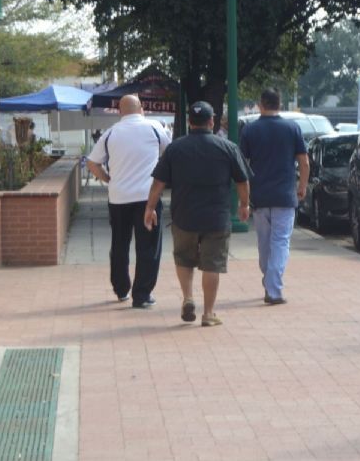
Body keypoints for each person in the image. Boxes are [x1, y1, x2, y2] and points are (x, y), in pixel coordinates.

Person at [144, 101, 251, 326]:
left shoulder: (176, 148)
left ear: (189, 122)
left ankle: (188, 297)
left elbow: (158, 183)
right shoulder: (228, 147)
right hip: (217, 217)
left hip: (184, 216)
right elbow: (242, 180)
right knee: (212, 264)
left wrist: (150, 208)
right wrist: (244, 205)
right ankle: (208, 313)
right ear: (212, 121)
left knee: (184, 258)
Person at [86, 95, 171, 308]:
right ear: (141, 109)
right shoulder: (154, 128)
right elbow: (169, 154)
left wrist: (107, 178)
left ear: (119, 111)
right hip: (147, 198)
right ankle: (141, 294)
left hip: (118, 198)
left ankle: (121, 288)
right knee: (148, 246)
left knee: (119, 244)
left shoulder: (111, 133)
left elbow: (92, 163)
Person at [239, 89, 309, 305]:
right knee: (280, 243)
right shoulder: (292, 128)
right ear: (280, 104)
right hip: (285, 195)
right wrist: (302, 186)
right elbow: (304, 162)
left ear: (261, 104)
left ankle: (270, 281)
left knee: (264, 244)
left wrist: (243, 199)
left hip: (259, 197)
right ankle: (274, 289)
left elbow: (242, 166)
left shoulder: (250, 130)